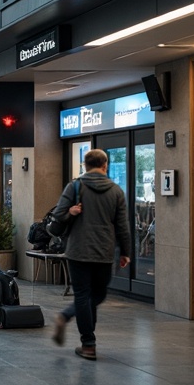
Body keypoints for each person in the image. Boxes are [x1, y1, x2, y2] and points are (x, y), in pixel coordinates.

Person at [51, 149, 131, 360]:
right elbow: (123, 226)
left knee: (83, 296)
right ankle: (88, 343)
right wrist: (125, 252)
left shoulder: (75, 186)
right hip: (104, 252)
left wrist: (70, 212)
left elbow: (58, 214)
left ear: (85, 166)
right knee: (97, 294)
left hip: (78, 250)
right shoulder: (116, 191)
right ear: (105, 165)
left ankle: (86, 341)